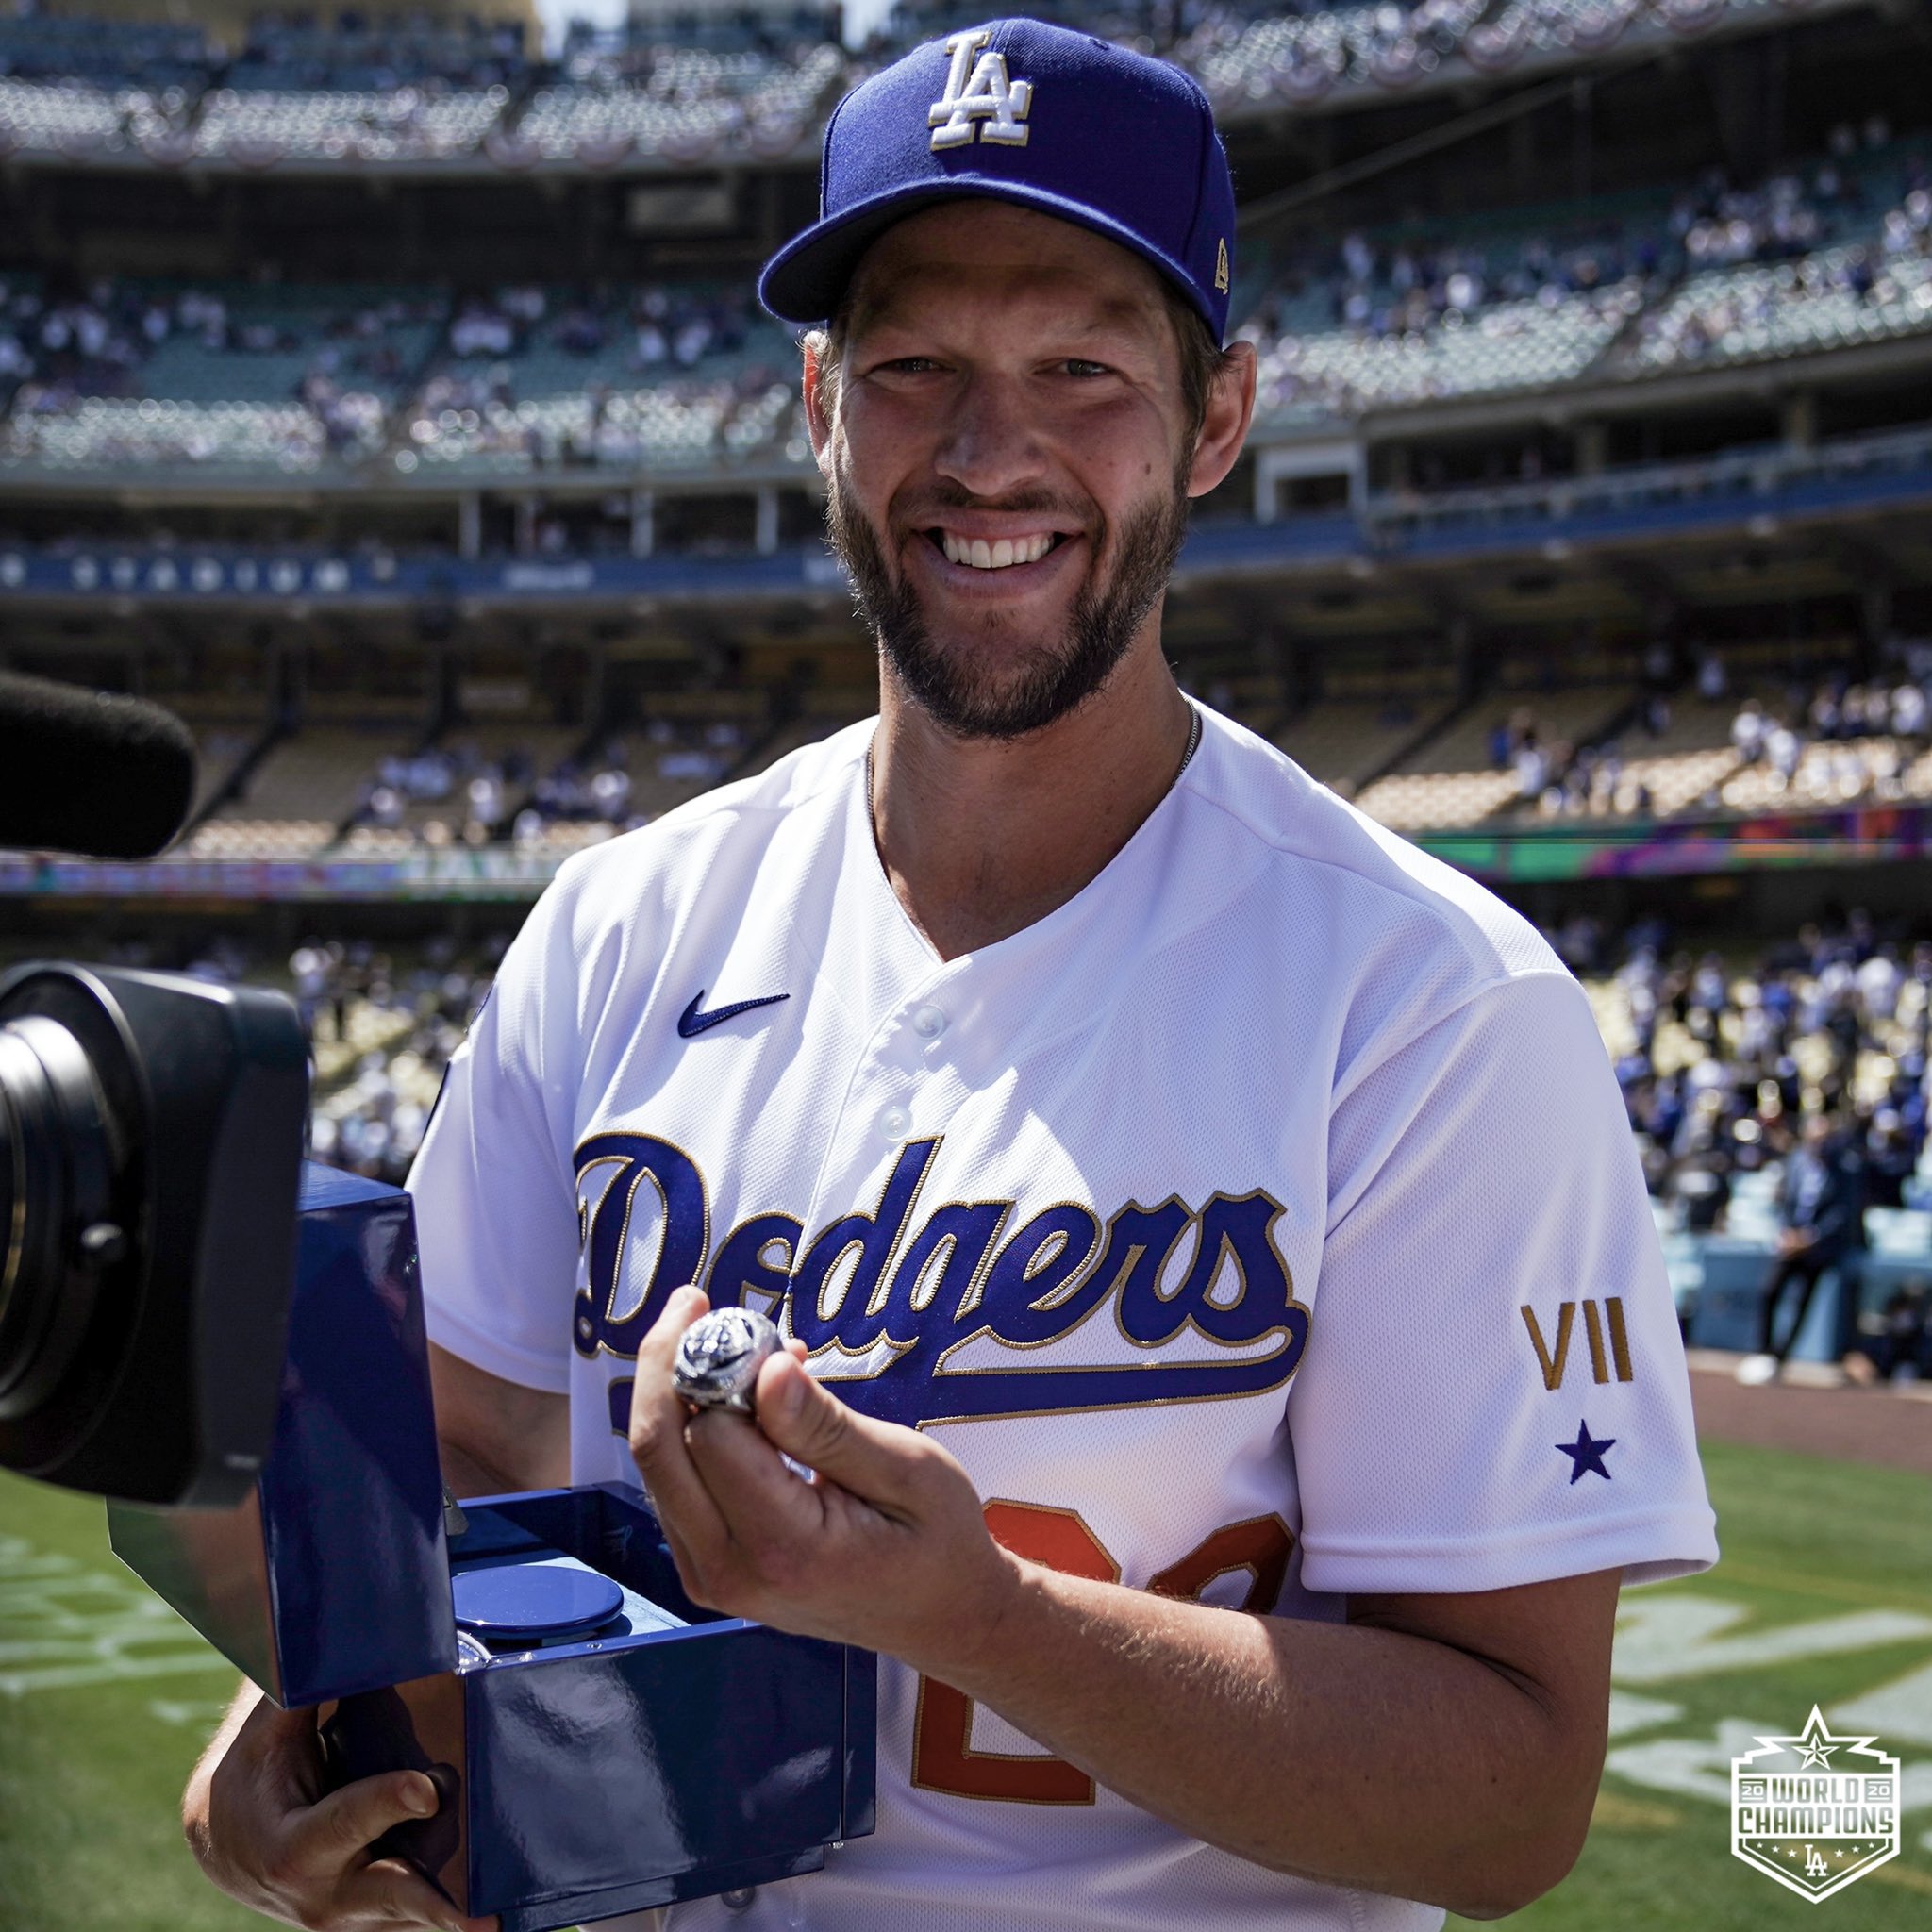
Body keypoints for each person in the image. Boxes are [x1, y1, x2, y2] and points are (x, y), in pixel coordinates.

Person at [181, 22, 1716, 1932]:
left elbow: (1507, 1802)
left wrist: (976, 1621)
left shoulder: (1424, 1004)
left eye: (1080, 368)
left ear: (1216, 415)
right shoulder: (618, 929)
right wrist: (303, 1712)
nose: (991, 455)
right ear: (821, 403)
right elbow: (487, 1441)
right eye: (915, 368)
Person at [1736, 1111, 1867, 1384]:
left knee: (1802, 1302)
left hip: (1817, 1249)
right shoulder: (1796, 1162)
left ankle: (1780, 1358)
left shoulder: (1845, 1169)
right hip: (1789, 1242)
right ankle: (1764, 1352)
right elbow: (1786, 1201)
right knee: (1769, 1292)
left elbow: (1842, 1213)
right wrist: (1787, 1233)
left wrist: (1810, 1238)